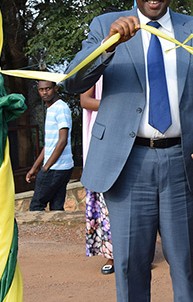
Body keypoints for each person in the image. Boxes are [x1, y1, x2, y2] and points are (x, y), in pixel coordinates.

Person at [62, 0, 193, 302]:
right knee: (130, 264)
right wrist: (109, 46)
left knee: (184, 265)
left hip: (182, 162)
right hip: (127, 164)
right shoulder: (106, 25)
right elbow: (73, 81)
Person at [79, 80, 114, 275]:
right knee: (106, 198)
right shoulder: (95, 61)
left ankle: (140, 253)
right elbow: (85, 101)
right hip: (103, 135)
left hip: (131, 130)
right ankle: (113, 254)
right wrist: (119, 105)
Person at [26, 80, 73, 211]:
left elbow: (62, 141)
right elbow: (50, 144)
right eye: (41, 90)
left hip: (57, 167)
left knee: (36, 207)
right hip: (59, 167)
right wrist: (35, 167)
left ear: (56, 88)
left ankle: (38, 232)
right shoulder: (52, 109)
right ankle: (58, 232)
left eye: (48, 89)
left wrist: (45, 168)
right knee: (56, 208)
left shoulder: (61, 108)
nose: (45, 92)